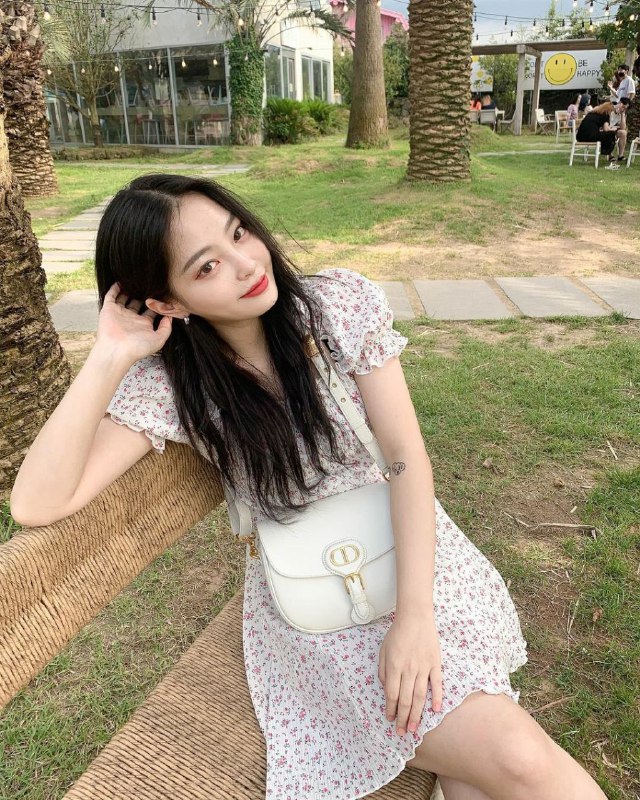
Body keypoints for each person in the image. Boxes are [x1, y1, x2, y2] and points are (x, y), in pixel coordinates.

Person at [9, 174, 609, 800]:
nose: (246, 264)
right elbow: (36, 501)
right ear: (169, 302)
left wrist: (415, 618)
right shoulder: (174, 387)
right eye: (208, 266)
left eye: (239, 233)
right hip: (318, 607)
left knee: (502, 762)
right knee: (512, 760)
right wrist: (109, 353)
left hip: (418, 560)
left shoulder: (336, 309)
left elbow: (405, 457)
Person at [609, 97, 631, 162]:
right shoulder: (610, 109)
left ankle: (620, 156)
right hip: (604, 129)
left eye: (625, 109)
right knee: (609, 133)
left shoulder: (622, 113)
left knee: (623, 133)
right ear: (620, 103)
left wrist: (622, 115)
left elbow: (623, 128)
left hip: (613, 129)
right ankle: (610, 155)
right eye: (623, 107)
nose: (623, 109)